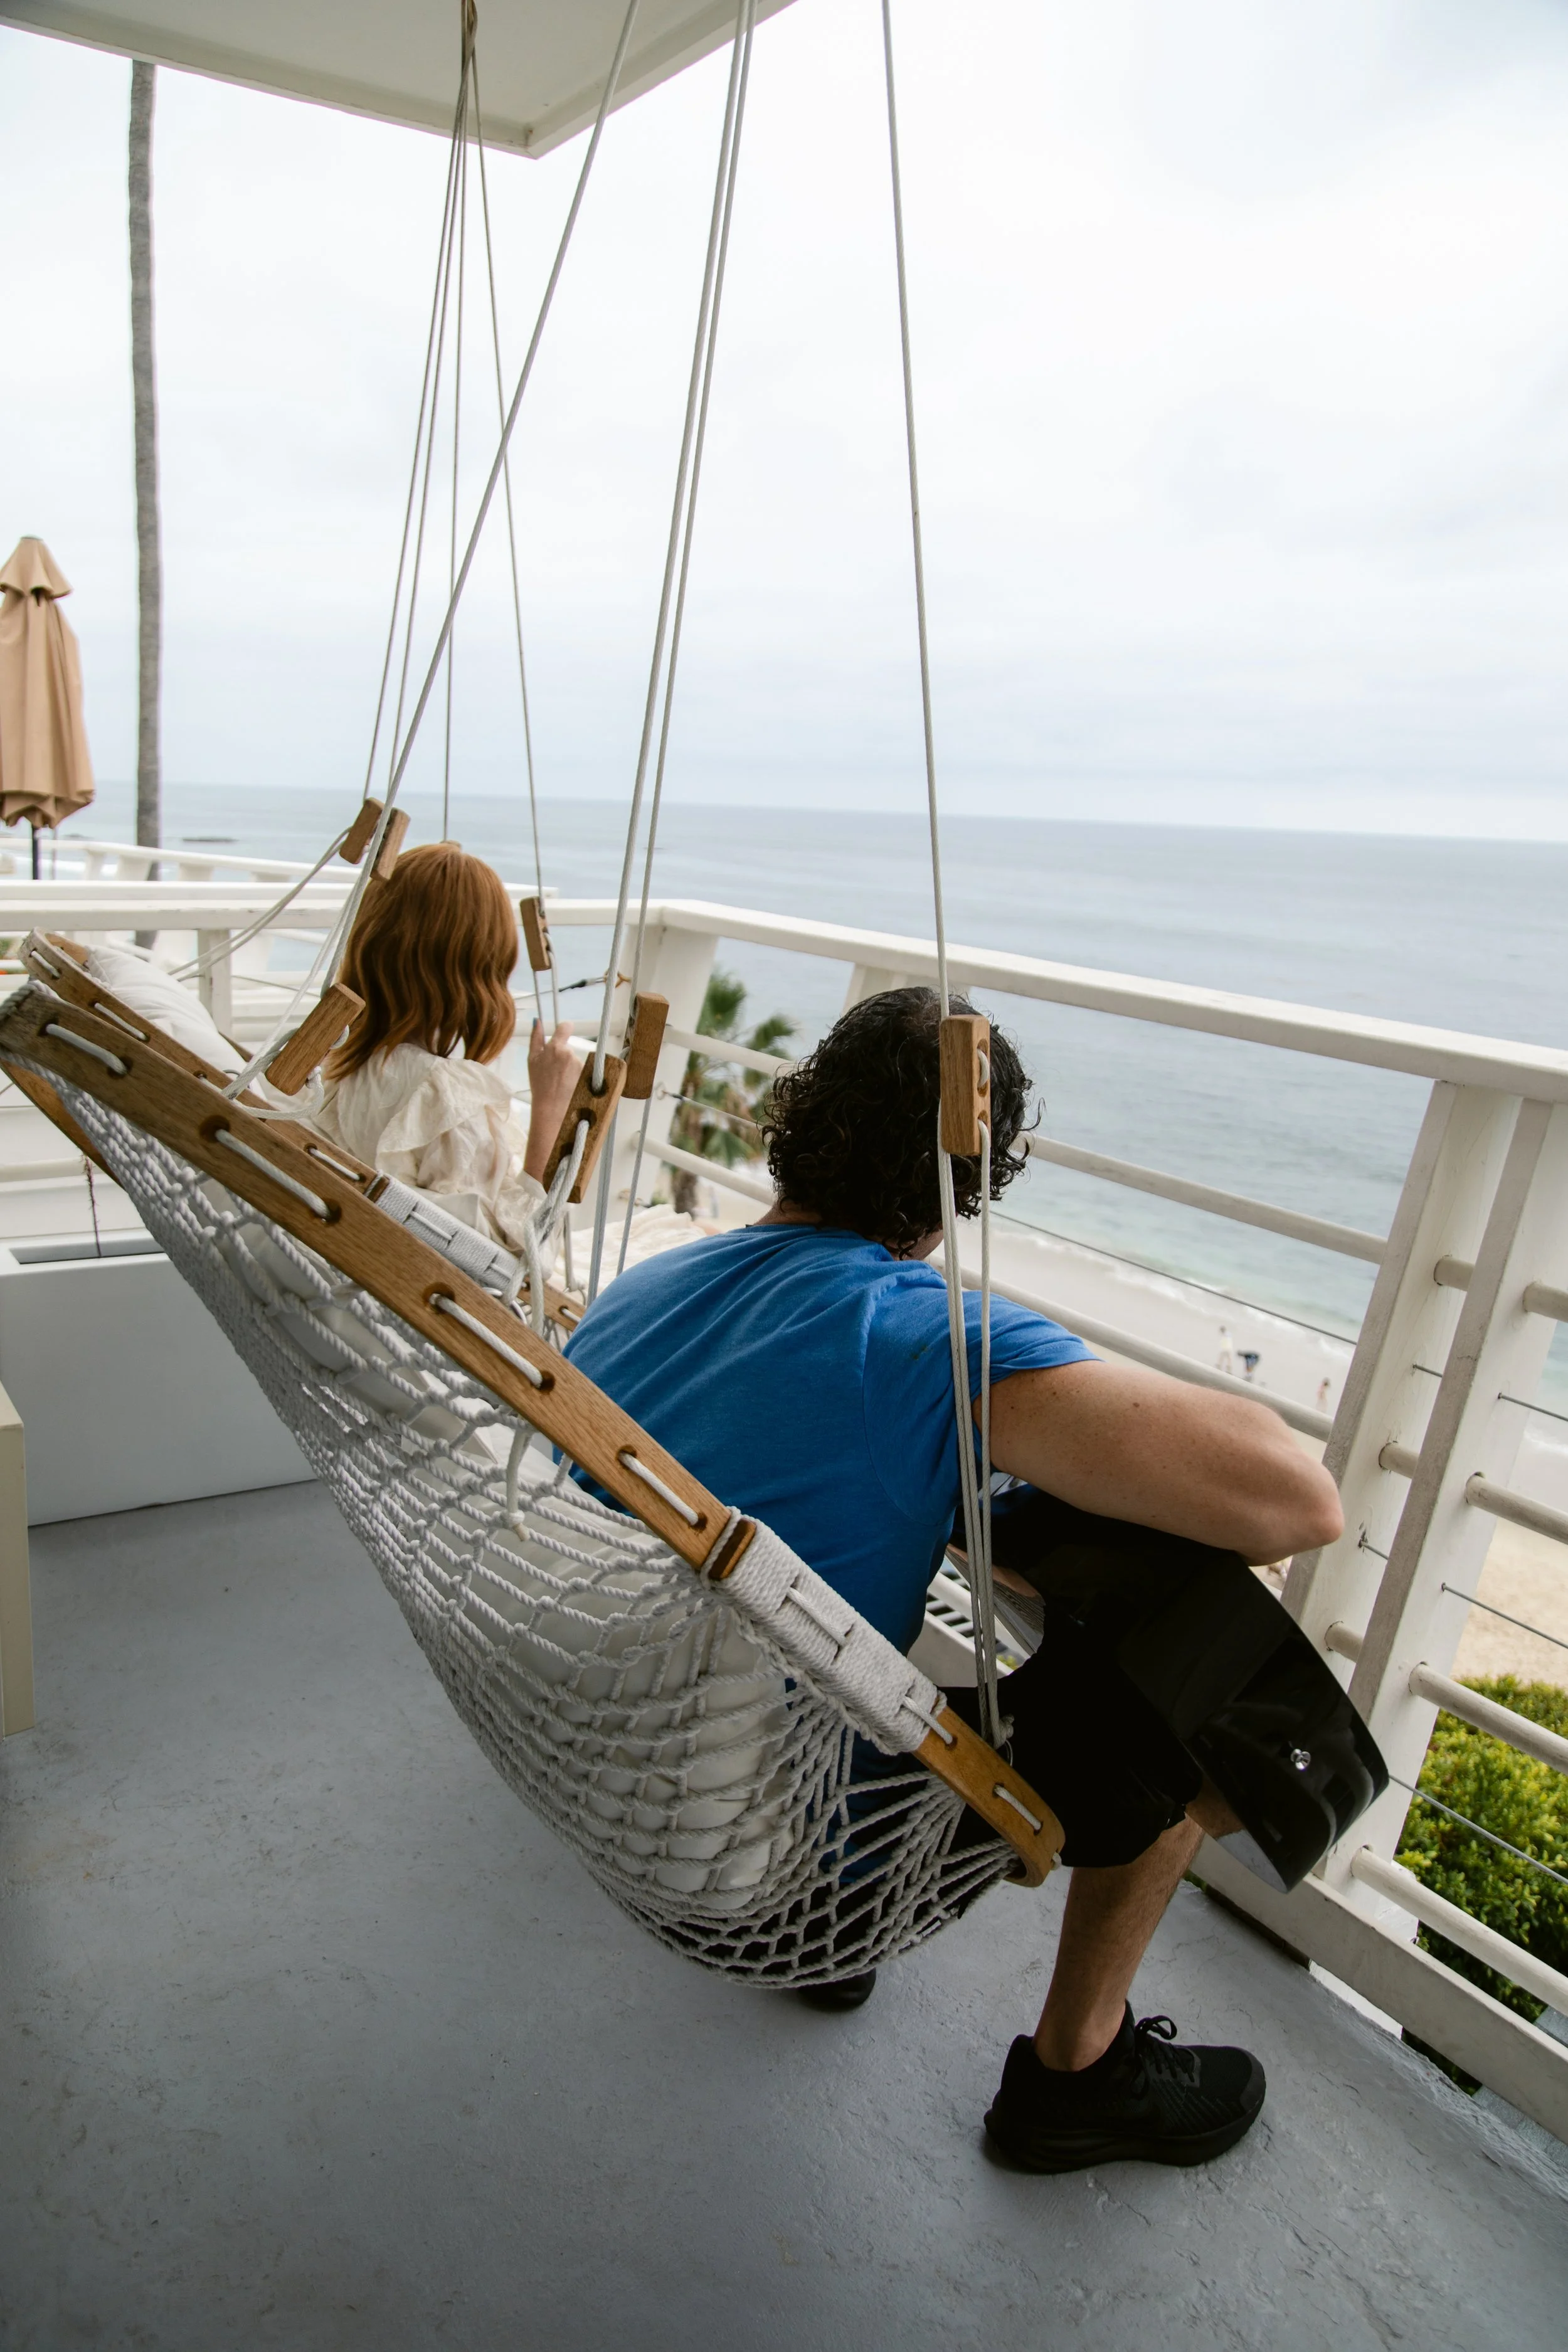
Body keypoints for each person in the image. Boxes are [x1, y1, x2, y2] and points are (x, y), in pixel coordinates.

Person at [564, 985, 1347, 2175]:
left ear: (800, 1122)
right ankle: (1078, 2072)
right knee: (1199, 1639)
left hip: (619, 1782)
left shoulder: (648, 1289)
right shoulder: (912, 1334)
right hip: (771, 1871)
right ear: (959, 1193)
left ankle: (853, 1955)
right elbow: (1300, 1502)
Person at [307, 842, 581, 1251]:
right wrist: (551, 1111)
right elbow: (526, 1255)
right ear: (480, 970)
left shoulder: (334, 1064)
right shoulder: (442, 1092)